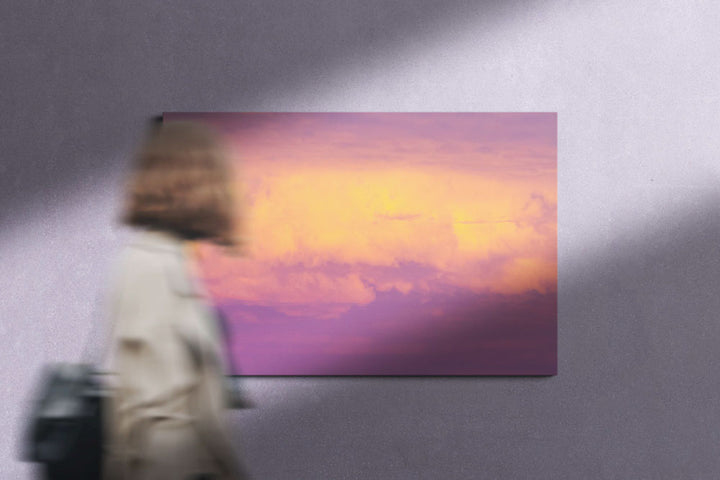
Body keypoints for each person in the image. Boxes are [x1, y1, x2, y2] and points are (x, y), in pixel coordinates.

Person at [102, 120, 249, 480]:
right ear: (192, 185)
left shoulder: (166, 261)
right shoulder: (154, 269)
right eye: (217, 177)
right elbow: (160, 419)